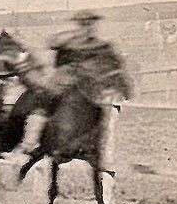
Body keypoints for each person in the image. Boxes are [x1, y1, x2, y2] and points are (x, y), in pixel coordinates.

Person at [19, 10, 133, 150]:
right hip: (67, 78)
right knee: (47, 97)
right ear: (78, 25)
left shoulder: (103, 46)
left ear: (95, 26)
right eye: (83, 24)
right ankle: (33, 139)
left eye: (90, 24)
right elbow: (52, 46)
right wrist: (67, 38)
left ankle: (101, 147)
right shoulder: (69, 42)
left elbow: (116, 66)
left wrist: (123, 87)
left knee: (105, 113)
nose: (87, 27)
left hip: (92, 84)